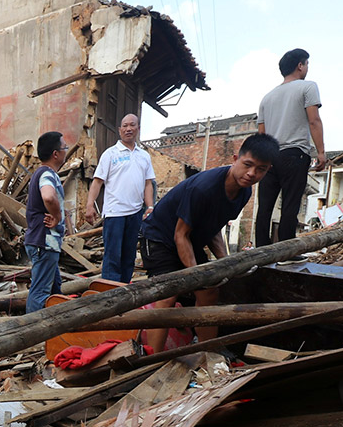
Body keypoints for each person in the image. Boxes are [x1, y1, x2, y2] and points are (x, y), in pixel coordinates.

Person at [137, 133, 279, 353]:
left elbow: (213, 228)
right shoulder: (204, 188)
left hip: (190, 241)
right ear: (235, 159)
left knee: (209, 293)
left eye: (261, 169)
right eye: (248, 165)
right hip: (160, 238)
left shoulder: (244, 192)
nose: (252, 173)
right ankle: (150, 360)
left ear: (268, 170)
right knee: (167, 295)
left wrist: (226, 262)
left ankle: (206, 353)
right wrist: (197, 275)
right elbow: (180, 235)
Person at [255, 48, 326, 247]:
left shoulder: (267, 98)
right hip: (294, 154)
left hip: (268, 156)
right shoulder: (308, 87)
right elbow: (314, 120)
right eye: (307, 64)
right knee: (290, 205)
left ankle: (260, 251)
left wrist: (262, 161)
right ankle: (286, 252)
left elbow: (261, 134)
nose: (307, 68)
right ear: (300, 66)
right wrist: (321, 152)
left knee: (264, 208)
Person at [84, 114, 155, 283]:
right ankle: (110, 292)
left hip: (135, 213)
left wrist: (150, 207)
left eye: (132, 125)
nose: (128, 129)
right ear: (120, 130)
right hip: (114, 213)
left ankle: (124, 290)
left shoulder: (144, 156)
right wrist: (89, 205)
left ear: (138, 128)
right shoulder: (110, 154)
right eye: (125, 126)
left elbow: (148, 184)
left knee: (129, 256)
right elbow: (97, 181)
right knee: (112, 256)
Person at [24, 131, 69, 313]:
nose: (66, 150)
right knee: (40, 293)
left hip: (45, 243)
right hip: (45, 242)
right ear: (55, 154)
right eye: (64, 147)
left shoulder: (40, 173)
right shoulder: (47, 174)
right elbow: (49, 196)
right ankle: (31, 328)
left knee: (54, 290)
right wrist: (57, 216)